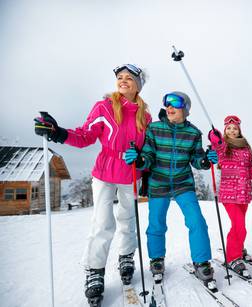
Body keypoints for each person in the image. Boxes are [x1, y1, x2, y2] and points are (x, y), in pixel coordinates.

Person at [34, 64, 152, 303]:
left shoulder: (145, 116)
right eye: (120, 77)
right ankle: (95, 270)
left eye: (130, 78)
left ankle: (126, 255)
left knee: (128, 219)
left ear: (139, 85)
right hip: (105, 172)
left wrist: (144, 167)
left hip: (130, 174)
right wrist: (59, 133)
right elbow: (85, 135)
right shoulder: (105, 107)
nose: (123, 81)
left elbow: (148, 149)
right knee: (102, 222)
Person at [124, 91, 219, 288]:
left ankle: (201, 261)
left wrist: (205, 161)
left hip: (183, 182)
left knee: (197, 221)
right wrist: (140, 159)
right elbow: (148, 155)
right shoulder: (154, 129)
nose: (169, 107)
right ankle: (156, 259)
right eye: (167, 103)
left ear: (186, 108)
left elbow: (196, 159)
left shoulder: (194, 133)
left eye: (175, 103)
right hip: (159, 182)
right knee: (156, 223)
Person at [207, 115, 252, 277]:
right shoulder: (225, 146)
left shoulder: (246, 147)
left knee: (240, 226)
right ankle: (232, 257)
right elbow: (217, 146)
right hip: (229, 194)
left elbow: (250, 165)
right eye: (228, 128)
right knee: (239, 225)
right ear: (225, 130)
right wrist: (214, 136)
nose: (232, 130)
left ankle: (238, 248)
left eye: (234, 128)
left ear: (239, 130)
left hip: (244, 192)